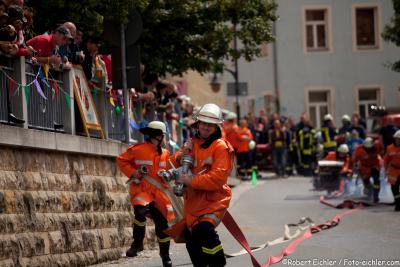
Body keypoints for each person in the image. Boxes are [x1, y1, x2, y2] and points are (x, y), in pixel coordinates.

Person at [166, 103, 234, 267]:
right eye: (203, 123)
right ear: (198, 123)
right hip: (193, 203)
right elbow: (171, 164)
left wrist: (190, 181)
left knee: (203, 230)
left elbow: (218, 179)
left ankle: (218, 262)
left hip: (213, 201)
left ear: (216, 126)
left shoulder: (220, 147)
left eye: (210, 124)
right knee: (190, 238)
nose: (206, 127)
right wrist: (182, 154)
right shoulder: (192, 143)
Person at [116, 121, 173, 267]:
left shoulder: (166, 153)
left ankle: (165, 255)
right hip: (142, 190)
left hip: (160, 194)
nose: (164, 138)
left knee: (163, 226)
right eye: (163, 135)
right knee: (140, 212)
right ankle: (137, 243)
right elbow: (121, 160)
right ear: (157, 136)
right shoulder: (138, 149)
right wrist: (133, 172)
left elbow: (171, 170)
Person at [352, 137, 382, 203]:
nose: (368, 148)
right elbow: (354, 158)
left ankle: (375, 196)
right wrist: (355, 165)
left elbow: (383, 148)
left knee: (376, 180)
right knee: (366, 182)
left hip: (374, 166)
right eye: (367, 147)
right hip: (364, 168)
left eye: (370, 147)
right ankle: (369, 193)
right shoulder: (359, 149)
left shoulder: (377, 147)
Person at [384, 130, 400, 211]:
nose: (398, 141)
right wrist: (385, 170)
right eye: (397, 139)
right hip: (393, 170)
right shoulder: (390, 148)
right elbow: (386, 160)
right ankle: (398, 203)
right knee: (394, 188)